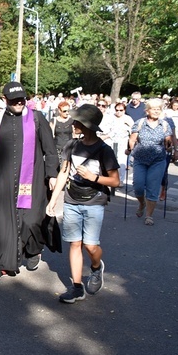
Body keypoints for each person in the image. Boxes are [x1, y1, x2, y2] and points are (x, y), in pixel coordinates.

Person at [0, 81, 60, 279]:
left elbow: (50, 149)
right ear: (5, 100)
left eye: (22, 99)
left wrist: (52, 174)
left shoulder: (36, 118)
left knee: (31, 221)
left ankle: (34, 249)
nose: (20, 103)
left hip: (32, 177)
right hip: (2, 179)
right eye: (15, 100)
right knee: (0, 223)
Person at [46, 105, 120, 303]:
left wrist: (93, 177)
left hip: (94, 202)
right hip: (71, 200)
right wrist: (54, 200)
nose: (73, 124)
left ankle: (96, 267)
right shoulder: (71, 145)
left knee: (90, 246)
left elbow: (115, 181)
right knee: (75, 243)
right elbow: (64, 172)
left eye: (77, 122)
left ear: (87, 126)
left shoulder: (104, 151)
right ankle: (77, 287)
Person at [127, 98, 173, 226]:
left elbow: (168, 140)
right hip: (140, 159)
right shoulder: (140, 123)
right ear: (147, 110)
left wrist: (169, 147)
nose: (156, 111)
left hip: (158, 160)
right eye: (154, 109)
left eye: (159, 109)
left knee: (153, 188)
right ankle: (142, 203)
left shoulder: (164, 125)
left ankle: (149, 216)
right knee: (138, 186)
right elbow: (132, 139)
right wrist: (130, 148)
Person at [101, 102, 134, 184]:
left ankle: (121, 180)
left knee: (122, 161)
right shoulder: (110, 118)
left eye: (121, 110)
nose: (119, 112)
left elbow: (133, 130)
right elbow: (105, 129)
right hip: (111, 141)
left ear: (124, 110)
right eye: (117, 110)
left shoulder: (128, 118)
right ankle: (109, 178)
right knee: (110, 160)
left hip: (123, 142)